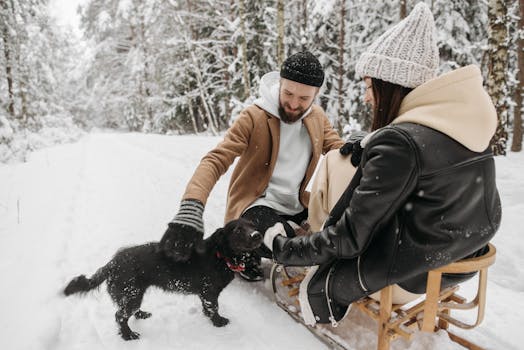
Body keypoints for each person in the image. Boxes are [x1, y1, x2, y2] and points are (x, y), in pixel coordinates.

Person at [263, 2, 502, 326]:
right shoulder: (459, 121)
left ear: (387, 86)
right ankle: (314, 234)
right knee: (346, 159)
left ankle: (309, 240)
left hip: (411, 274)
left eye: (368, 87)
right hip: (462, 260)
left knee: (335, 162)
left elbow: (348, 240)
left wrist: (281, 248)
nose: (366, 98)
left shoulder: (399, 143)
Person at [160, 51, 345, 281]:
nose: (294, 103)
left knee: (334, 231)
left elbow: (339, 151)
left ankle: (292, 242)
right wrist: (192, 205)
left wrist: (358, 149)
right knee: (278, 239)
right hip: (257, 205)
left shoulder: (317, 118)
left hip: (296, 205)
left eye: (304, 98)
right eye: (288, 93)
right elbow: (216, 159)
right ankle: (248, 250)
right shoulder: (254, 116)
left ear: (315, 95)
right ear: (280, 84)